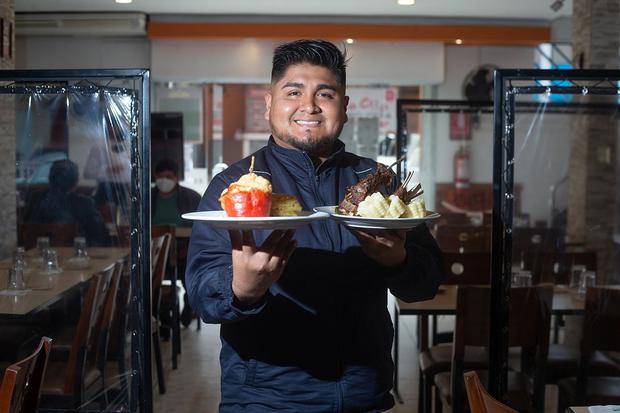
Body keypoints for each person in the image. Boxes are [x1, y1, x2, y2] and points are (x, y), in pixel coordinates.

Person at [186, 39, 443, 412]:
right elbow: (199, 293)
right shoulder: (235, 186)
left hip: (363, 395)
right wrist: (240, 289)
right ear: (270, 103)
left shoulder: (379, 182)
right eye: (293, 92)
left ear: (345, 107)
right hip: (264, 399)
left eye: (325, 93)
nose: (308, 106)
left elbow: (429, 282)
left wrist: (397, 261)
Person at [152, 158, 202, 327]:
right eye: (160, 176)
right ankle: (161, 311)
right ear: (154, 176)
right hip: (154, 253)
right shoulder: (148, 198)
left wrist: (188, 249)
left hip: (183, 250)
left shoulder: (191, 198)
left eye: (168, 176)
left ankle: (190, 305)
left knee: (190, 271)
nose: (164, 180)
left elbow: (202, 230)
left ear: (176, 178)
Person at [24, 159, 109, 246]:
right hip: (75, 255)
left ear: (50, 179)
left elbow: (24, 232)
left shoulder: (36, 198)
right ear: (76, 181)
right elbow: (100, 237)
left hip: (37, 254)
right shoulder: (85, 203)